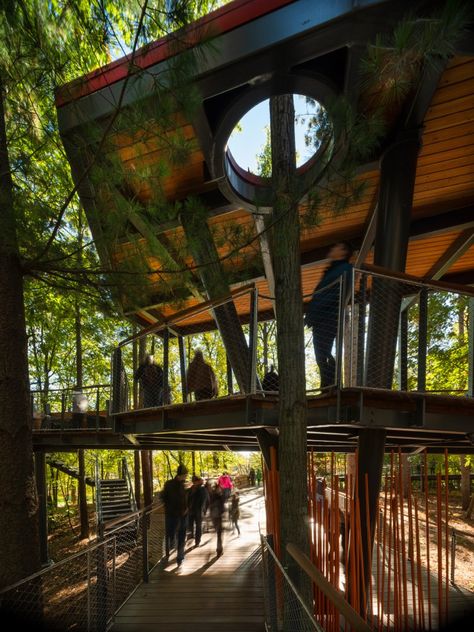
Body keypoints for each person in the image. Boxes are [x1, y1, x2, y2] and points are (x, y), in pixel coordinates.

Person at [304, 242, 353, 388]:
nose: (332, 248)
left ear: (343, 252)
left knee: (323, 354)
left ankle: (331, 385)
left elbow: (333, 294)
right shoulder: (333, 270)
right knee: (321, 355)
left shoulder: (345, 269)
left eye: (336, 247)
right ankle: (328, 385)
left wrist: (314, 313)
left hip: (328, 317)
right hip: (321, 318)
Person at [161, 464, 188, 567]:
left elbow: (163, 497)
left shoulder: (169, 484)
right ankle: (179, 558)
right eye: (185, 475)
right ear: (182, 475)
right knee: (179, 536)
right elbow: (179, 500)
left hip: (173, 515)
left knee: (175, 535)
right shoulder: (178, 485)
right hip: (177, 515)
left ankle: (178, 556)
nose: (186, 477)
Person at [187, 475, 209, 547]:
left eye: (195, 481)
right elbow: (188, 499)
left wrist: (204, 510)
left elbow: (207, 500)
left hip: (199, 511)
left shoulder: (202, 489)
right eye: (193, 481)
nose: (194, 483)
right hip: (191, 511)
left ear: (198, 481)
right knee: (190, 525)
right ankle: (191, 536)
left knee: (198, 526)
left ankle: (197, 541)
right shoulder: (191, 489)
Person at [209, 483, 225, 556]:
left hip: (213, 516)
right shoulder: (220, 496)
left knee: (218, 533)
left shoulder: (211, 495)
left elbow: (210, 506)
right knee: (219, 533)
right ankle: (219, 550)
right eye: (219, 488)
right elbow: (222, 508)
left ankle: (219, 549)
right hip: (218, 517)